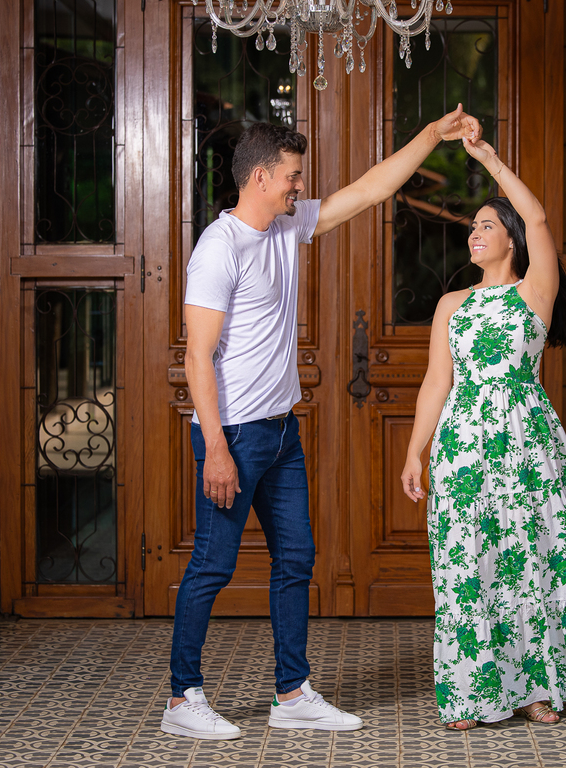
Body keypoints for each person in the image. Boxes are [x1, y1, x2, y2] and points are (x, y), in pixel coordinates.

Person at [163, 106, 482, 741]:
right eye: (292, 175)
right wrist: (216, 449)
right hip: (234, 434)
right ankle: (181, 698)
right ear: (259, 177)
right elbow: (197, 356)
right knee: (213, 565)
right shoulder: (219, 248)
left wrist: (430, 134)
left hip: (282, 431)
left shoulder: (287, 227)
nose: (300, 185)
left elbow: (369, 190)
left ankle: (291, 693)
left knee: (296, 559)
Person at [400, 136, 566, 729]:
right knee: (466, 563)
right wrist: (415, 451)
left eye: (487, 225)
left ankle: (536, 690)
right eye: (472, 227)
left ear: (512, 239)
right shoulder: (451, 304)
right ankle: (470, 694)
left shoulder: (534, 291)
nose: (474, 234)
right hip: (463, 445)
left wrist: (487, 158)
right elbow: (436, 381)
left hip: (527, 442)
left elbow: (539, 217)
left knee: (530, 559)